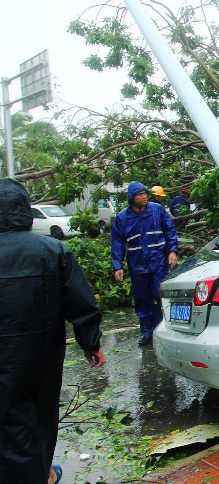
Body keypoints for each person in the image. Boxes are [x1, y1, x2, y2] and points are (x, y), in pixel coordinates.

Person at [0, 178, 106, 483]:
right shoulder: (52, 251)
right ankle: (39, 472)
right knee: (39, 415)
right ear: (26, 212)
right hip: (39, 355)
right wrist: (91, 343)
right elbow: (81, 303)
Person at [111, 181, 179, 346]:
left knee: (159, 295)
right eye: (140, 194)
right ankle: (147, 332)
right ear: (132, 197)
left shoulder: (157, 210)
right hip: (137, 266)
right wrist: (117, 266)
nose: (144, 197)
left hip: (158, 263)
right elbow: (117, 242)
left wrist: (172, 251)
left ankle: (160, 329)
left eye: (145, 193)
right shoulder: (123, 218)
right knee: (142, 300)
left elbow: (170, 230)